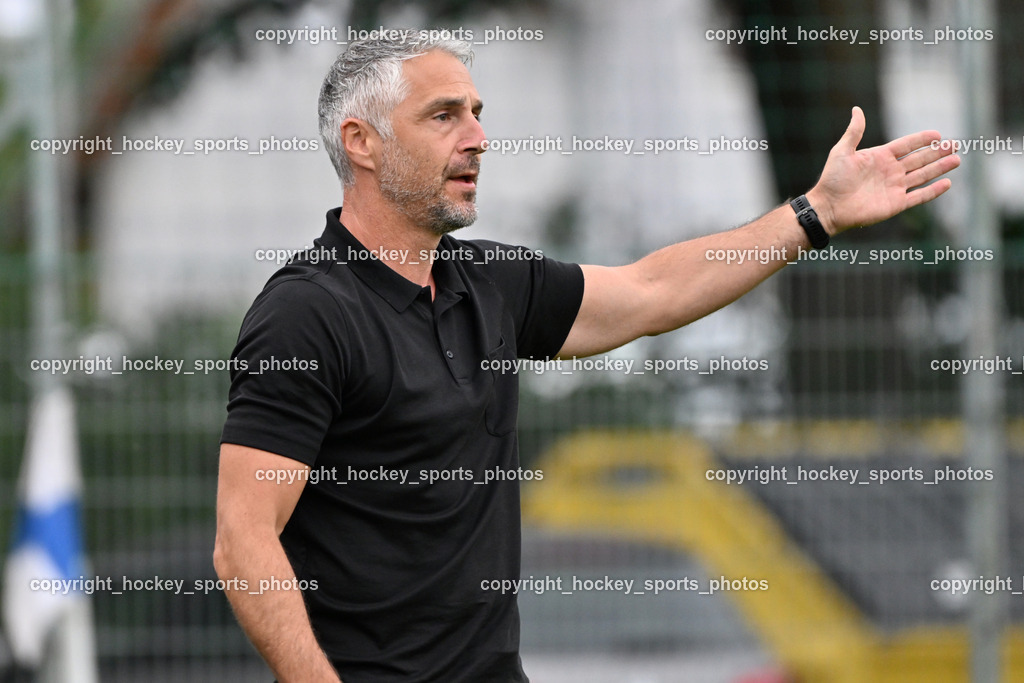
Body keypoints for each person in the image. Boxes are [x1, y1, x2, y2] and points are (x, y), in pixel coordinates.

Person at [213, 33, 959, 683]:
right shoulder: (307, 315)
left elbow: (652, 291)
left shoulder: (491, 284)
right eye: (444, 116)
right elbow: (244, 542)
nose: (477, 137)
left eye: (477, 113)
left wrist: (815, 213)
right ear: (362, 142)